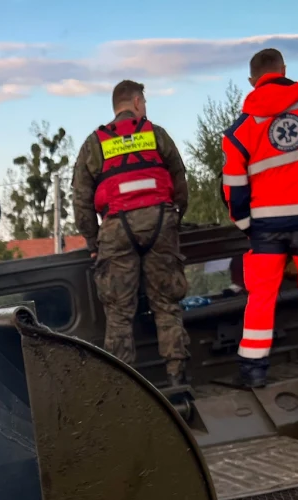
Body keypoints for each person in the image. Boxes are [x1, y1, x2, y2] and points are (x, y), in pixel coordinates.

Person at [222, 48, 298, 389]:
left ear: (252, 81)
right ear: (284, 69)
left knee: (261, 297)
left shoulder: (240, 130)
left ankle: (254, 371)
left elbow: (233, 187)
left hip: (266, 225)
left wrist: (247, 224)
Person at [72, 80, 192, 389]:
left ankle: (127, 389)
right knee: (166, 302)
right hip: (160, 219)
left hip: (117, 226)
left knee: (119, 311)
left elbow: (81, 199)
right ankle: (177, 376)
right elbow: (179, 177)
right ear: (137, 102)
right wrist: (176, 216)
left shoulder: (94, 143)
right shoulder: (156, 134)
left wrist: (93, 242)